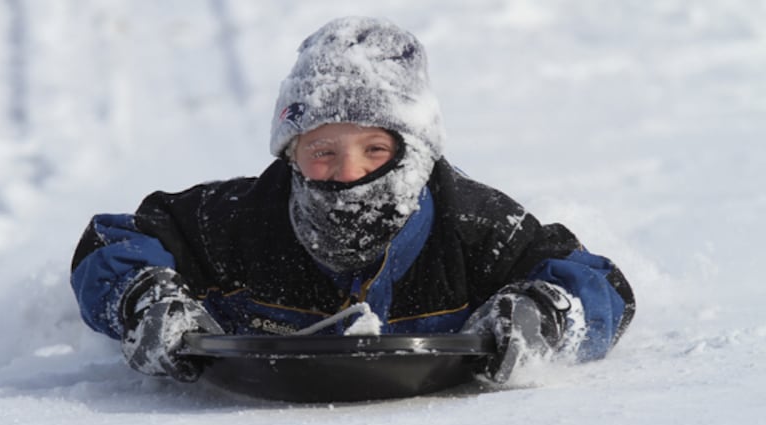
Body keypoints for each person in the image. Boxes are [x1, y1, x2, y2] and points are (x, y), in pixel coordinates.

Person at [71, 16, 636, 385]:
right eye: (323, 151)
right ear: (292, 153)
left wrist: (543, 317)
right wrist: (144, 300)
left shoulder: (477, 226)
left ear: (414, 152)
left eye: (375, 149)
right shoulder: (238, 221)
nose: (349, 173)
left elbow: (595, 282)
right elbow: (115, 242)